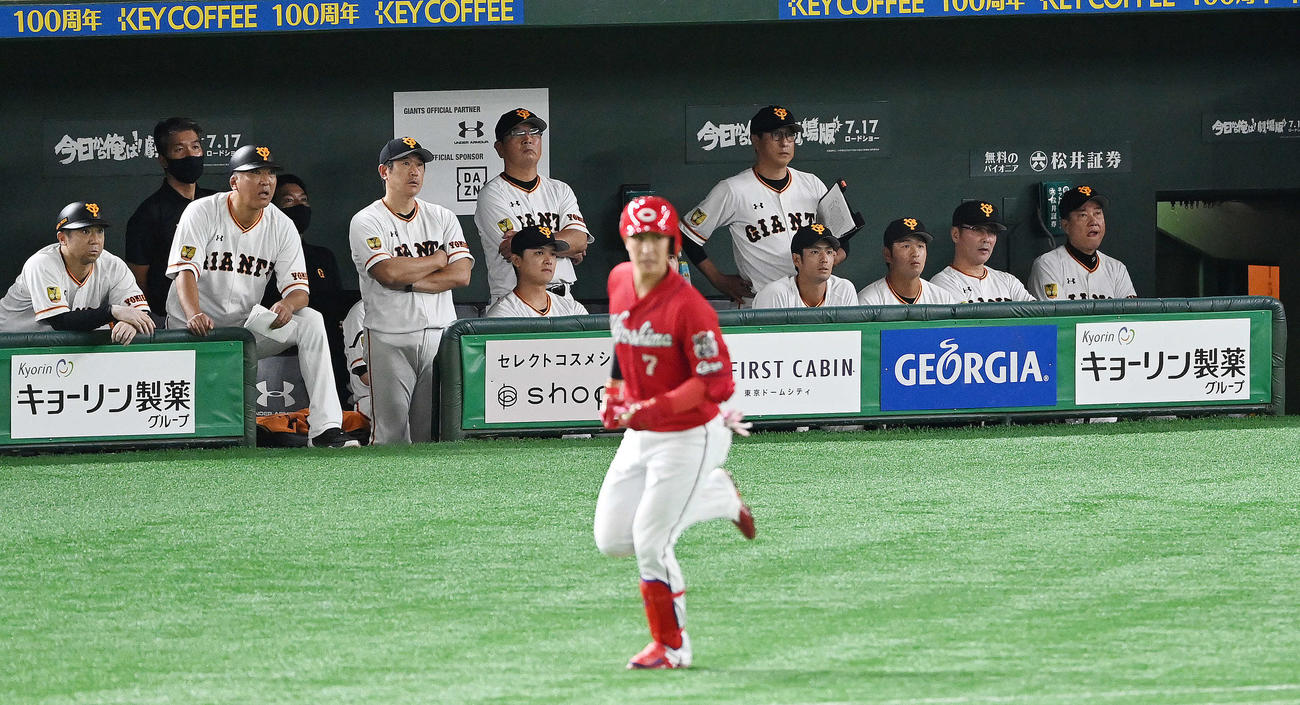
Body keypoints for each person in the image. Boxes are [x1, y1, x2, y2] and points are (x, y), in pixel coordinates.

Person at [594, 195, 756, 671]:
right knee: (611, 540)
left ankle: (671, 646)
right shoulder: (619, 280)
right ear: (625, 240)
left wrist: (654, 407)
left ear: (673, 244)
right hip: (643, 432)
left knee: (650, 541)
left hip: (691, 434)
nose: (647, 248)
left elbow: (716, 384)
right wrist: (616, 391)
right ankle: (718, 496)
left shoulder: (691, 307)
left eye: (657, 238)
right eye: (638, 237)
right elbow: (622, 343)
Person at [165, 144, 359, 448]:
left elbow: (299, 292)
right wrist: (193, 315)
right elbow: (185, 272)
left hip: (244, 330)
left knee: (310, 320)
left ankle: (326, 429)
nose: (266, 180)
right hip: (192, 329)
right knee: (194, 430)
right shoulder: (202, 211)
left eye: (269, 173)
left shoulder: (282, 226)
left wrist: (287, 303)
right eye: (255, 173)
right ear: (234, 181)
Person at [348, 137, 473, 445]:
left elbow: (461, 275)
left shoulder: (442, 216)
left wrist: (410, 281)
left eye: (419, 164)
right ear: (384, 171)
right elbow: (387, 273)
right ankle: (380, 492)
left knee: (431, 433)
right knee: (389, 434)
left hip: (438, 335)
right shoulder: (366, 220)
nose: (415, 171)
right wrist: (436, 260)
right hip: (388, 337)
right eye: (405, 163)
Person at [679, 104, 844, 307]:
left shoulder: (812, 184)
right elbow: (687, 234)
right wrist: (718, 279)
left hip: (809, 302)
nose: (784, 142)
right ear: (755, 140)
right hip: (759, 304)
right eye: (776, 135)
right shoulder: (733, 189)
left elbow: (840, 232)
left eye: (790, 135)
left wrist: (837, 254)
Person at [474, 108, 590, 306]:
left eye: (534, 132)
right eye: (517, 133)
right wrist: (564, 247)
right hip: (514, 300)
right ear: (500, 148)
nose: (528, 138)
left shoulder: (560, 190)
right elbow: (513, 248)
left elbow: (579, 240)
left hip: (564, 299)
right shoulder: (492, 194)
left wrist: (530, 241)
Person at [0, 202, 154, 345]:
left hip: (60, 349)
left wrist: (131, 321)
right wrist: (113, 312)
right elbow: (60, 321)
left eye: (99, 231)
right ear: (62, 238)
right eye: (85, 231)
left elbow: (138, 309)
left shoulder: (113, 265)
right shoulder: (42, 264)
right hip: (11, 344)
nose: (95, 240)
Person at [267, 173, 351, 403]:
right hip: (277, 333)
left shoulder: (322, 256)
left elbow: (335, 301)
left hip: (327, 341)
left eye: (303, 201)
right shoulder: (264, 253)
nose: (298, 206)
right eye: (289, 201)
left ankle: (338, 412)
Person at [125, 117, 216, 318]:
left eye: (195, 147)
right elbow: (138, 282)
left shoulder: (217, 202)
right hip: (170, 319)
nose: (190, 155)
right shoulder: (147, 215)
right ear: (163, 160)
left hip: (220, 315)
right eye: (179, 150)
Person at [1028, 185, 1137, 300]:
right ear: (1066, 226)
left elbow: (1128, 317)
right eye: (1083, 215)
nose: (1094, 221)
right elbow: (1057, 317)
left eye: (1097, 213)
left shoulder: (1117, 269)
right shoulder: (1048, 265)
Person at [931, 200, 1034, 303]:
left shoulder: (1009, 282)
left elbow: (1038, 315)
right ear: (955, 234)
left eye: (992, 232)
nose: (987, 239)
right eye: (978, 229)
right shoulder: (942, 283)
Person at [484, 225, 589, 318]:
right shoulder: (503, 314)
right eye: (539, 253)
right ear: (517, 260)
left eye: (553, 254)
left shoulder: (573, 309)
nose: (549, 261)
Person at [752, 223, 858, 309]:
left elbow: (853, 334)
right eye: (815, 252)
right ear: (796, 259)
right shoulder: (774, 294)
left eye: (829, 252)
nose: (824, 259)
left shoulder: (844, 290)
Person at [857, 218, 960, 305]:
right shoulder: (870, 300)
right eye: (906, 246)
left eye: (920, 246)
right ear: (887, 254)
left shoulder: (942, 298)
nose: (915, 253)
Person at [341, 300, 371, 422]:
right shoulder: (361, 311)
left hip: (404, 396)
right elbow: (365, 377)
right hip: (371, 400)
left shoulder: (405, 307)